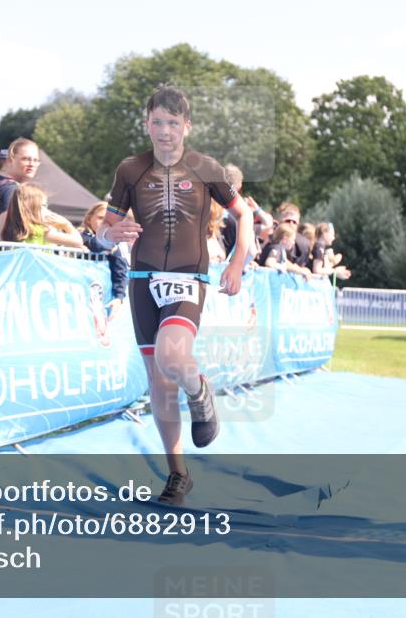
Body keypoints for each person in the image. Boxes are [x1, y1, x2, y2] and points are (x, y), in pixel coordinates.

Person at [97, 85, 253, 505]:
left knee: (172, 355)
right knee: (160, 384)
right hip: (142, 281)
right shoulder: (130, 169)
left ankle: (200, 391)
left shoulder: (205, 167)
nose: (164, 131)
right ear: (147, 124)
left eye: (173, 123)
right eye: (157, 122)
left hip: (187, 278)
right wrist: (111, 233)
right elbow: (103, 229)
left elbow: (244, 214)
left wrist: (237, 261)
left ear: (187, 126)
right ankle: (178, 473)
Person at [0, 138, 42, 248]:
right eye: (26, 159)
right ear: (11, 160)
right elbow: (5, 237)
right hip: (1, 256)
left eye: (36, 160)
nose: (32, 164)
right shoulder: (11, 189)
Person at [80, 201, 128, 320]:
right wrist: (108, 242)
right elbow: (93, 244)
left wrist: (119, 297)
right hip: (80, 294)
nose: (104, 223)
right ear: (89, 219)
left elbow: (120, 271)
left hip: (101, 296)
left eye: (108, 220)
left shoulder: (113, 243)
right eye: (100, 218)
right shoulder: (81, 236)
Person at [0, 182, 83, 247]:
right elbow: (78, 241)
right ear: (32, 208)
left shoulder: (10, 228)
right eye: (43, 206)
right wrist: (66, 225)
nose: (46, 210)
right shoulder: (40, 231)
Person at [220, 163, 272, 260]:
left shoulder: (209, 207)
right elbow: (268, 224)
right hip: (226, 265)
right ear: (239, 186)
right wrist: (257, 209)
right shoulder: (242, 218)